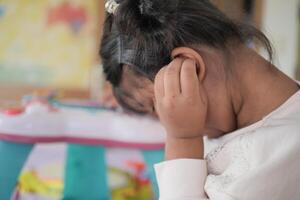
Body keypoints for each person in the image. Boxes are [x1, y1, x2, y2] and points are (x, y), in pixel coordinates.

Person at [100, 0, 300, 199]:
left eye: (160, 104)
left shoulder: (266, 166)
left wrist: (182, 139)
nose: (167, 123)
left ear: (191, 68)